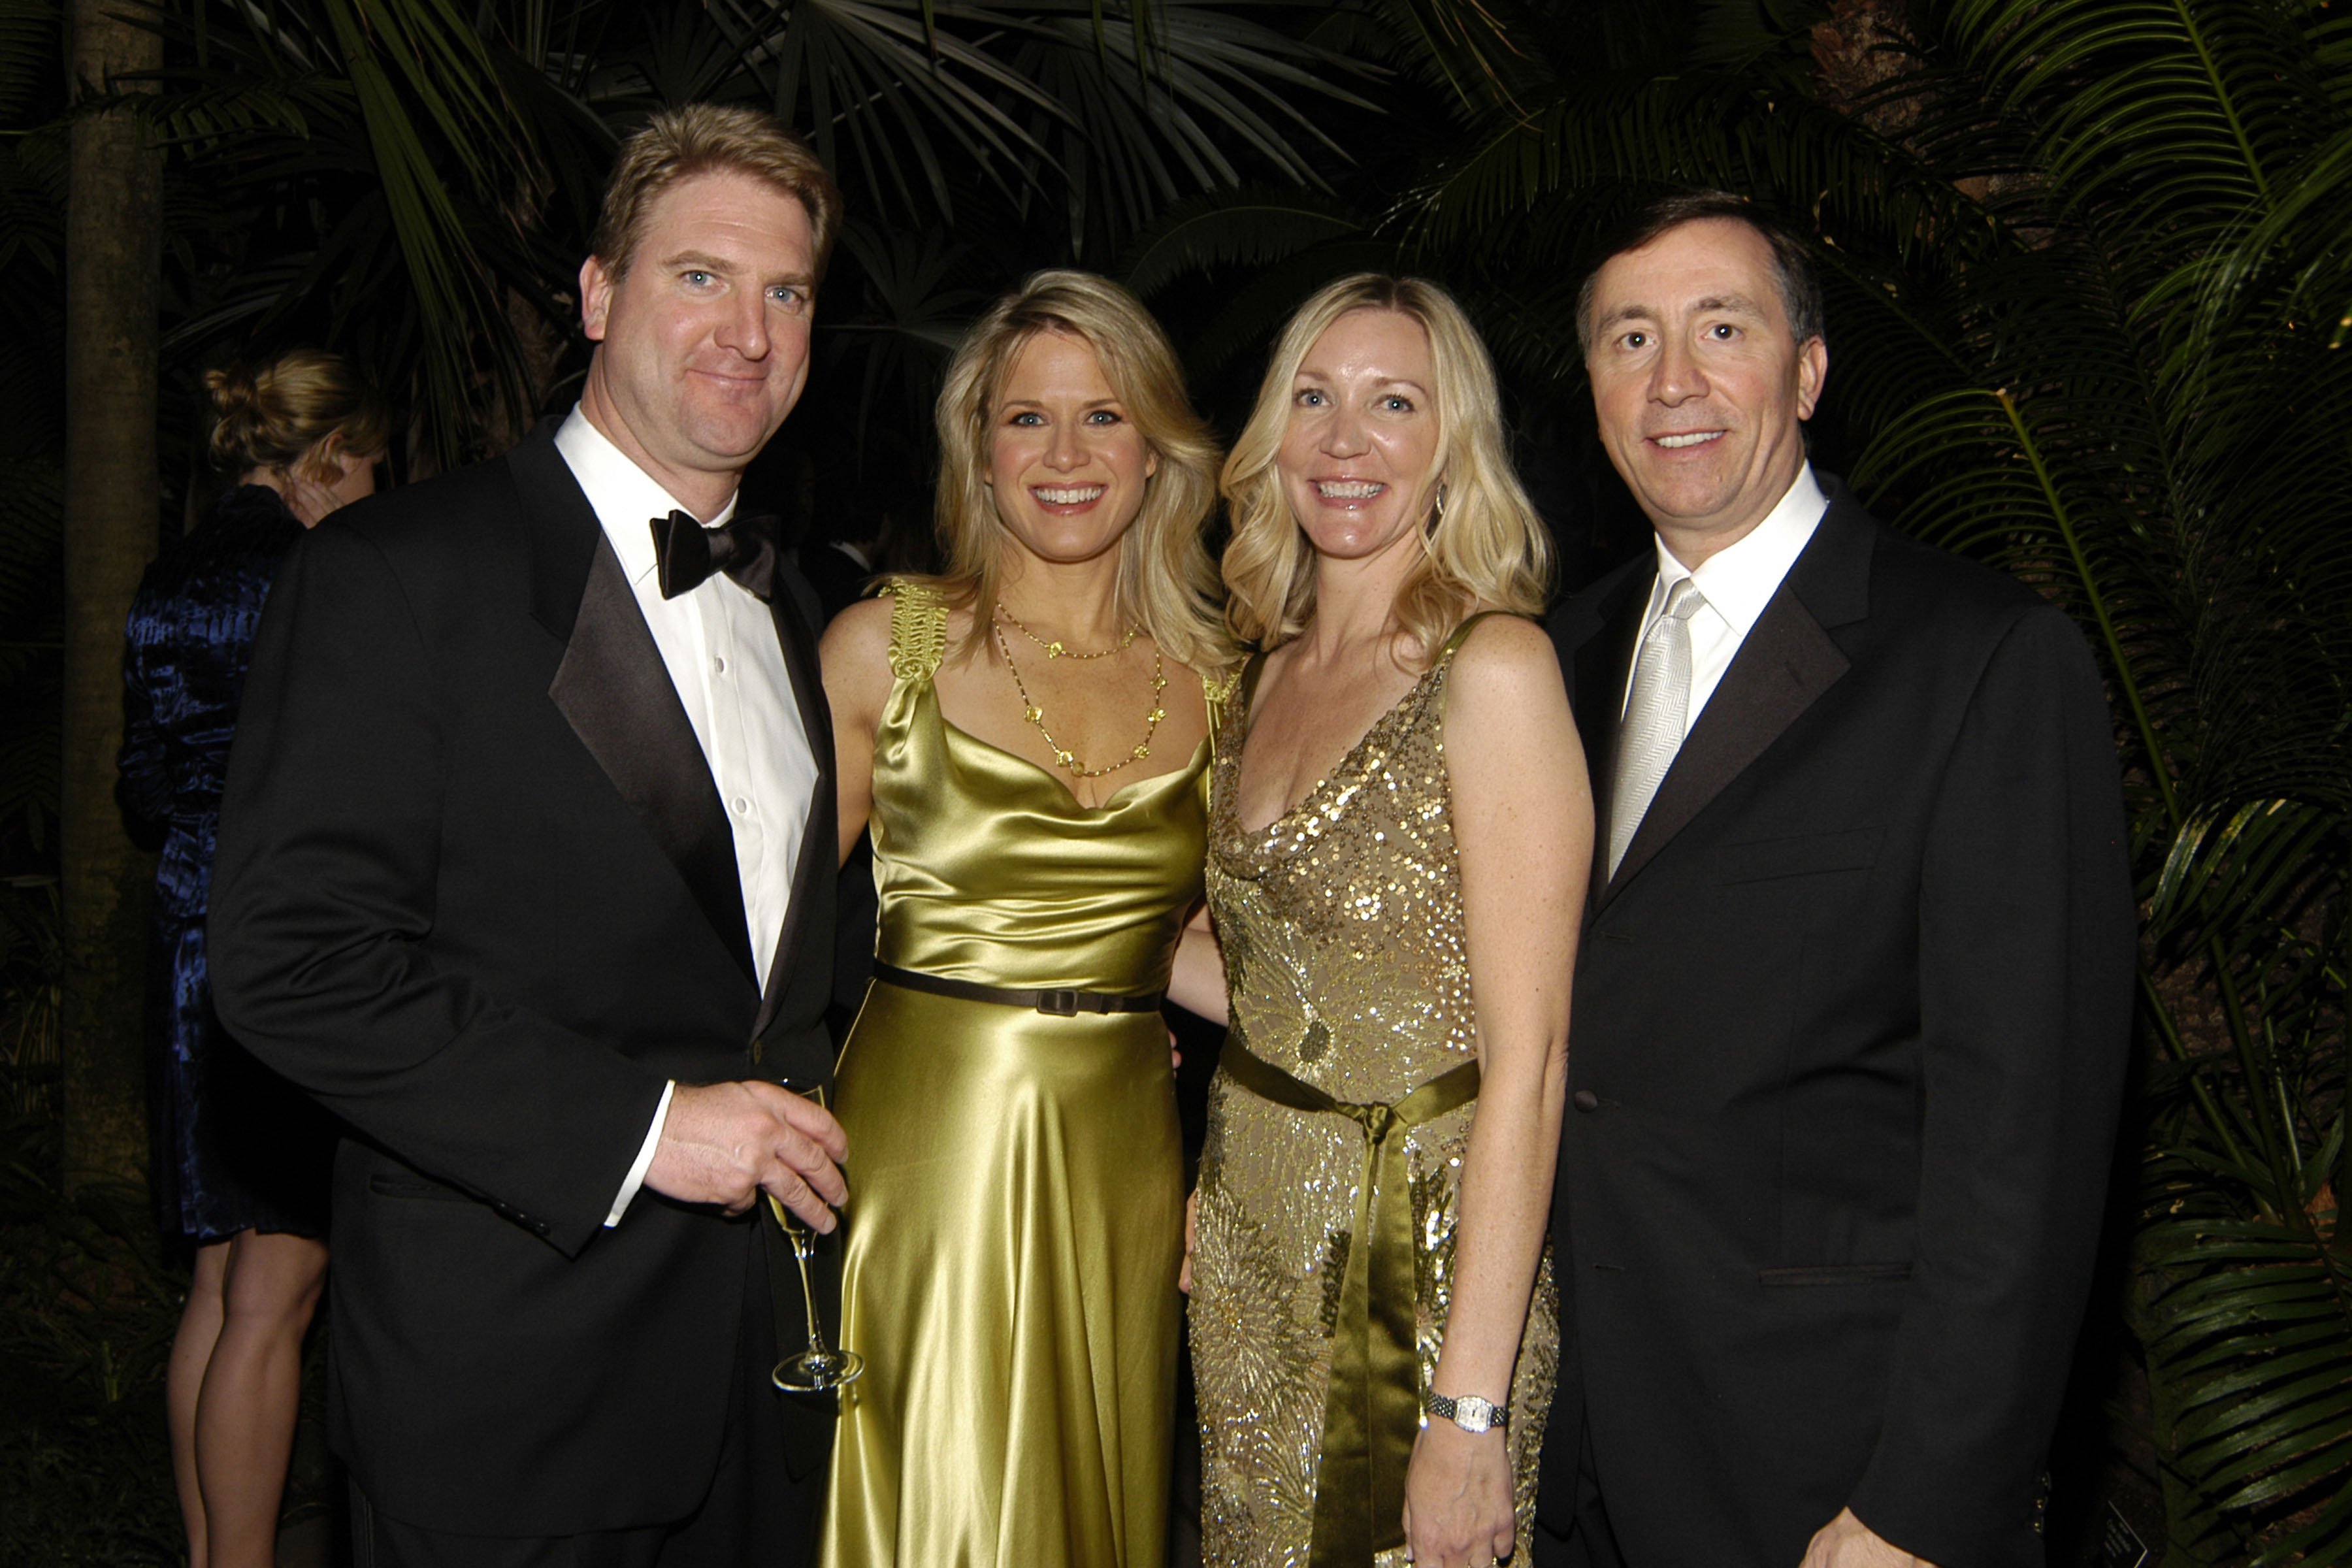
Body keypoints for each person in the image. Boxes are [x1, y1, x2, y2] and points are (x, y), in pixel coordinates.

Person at [207, 105, 851, 1566]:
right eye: (700, 277)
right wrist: (649, 1130)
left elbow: (760, 974)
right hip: (512, 1401)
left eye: (788, 292)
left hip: (761, 1397)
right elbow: (289, 965)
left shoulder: (793, 609)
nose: (747, 330)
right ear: (598, 294)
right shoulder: (400, 574)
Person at [1533, 192, 2136, 1567]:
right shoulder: (1553, 666)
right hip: (1580, 1458)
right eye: (1632, 338)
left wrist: (1927, 1503)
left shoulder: (1980, 660)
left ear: (1806, 371)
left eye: (1721, 328)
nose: (1673, 381)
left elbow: (2027, 1146)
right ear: (1594, 389)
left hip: (1832, 1477)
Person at [817, 269, 1231, 1568]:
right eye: (1025, 418)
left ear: (1158, 454)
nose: (1065, 455)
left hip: (1124, 1153)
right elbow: (756, 948)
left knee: (1092, 1498)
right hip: (916, 1148)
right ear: (977, 451)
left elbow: (1226, 958)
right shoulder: (884, 648)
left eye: (1103, 417)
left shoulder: (1226, 681)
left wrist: (1277, 1146)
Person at [1187, 274, 1590, 1568]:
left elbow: (1529, 1063)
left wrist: (1468, 1410)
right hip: (1250, 1258)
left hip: (1423, 1270)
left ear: (1451, 448)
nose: (1345, 441)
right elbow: (1271, 987)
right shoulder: (1257, 674)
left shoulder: (1496, 668)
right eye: (1315, 398)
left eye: (1392, 404)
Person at [119, 348, 388, 1568]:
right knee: (276, 1303)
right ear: (327, 461)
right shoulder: (320, 572)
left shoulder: (170, 573)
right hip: (285, 948)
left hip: (184, 942)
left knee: (223, 1292)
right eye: (375, 466)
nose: (383, 490)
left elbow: (141, 783)